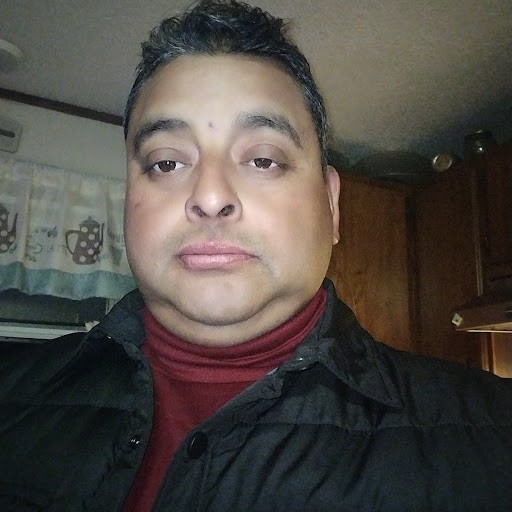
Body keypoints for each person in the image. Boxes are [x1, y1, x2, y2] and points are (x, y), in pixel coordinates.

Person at [1, 0, 512, 510]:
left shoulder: (494, 439)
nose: (210, 196)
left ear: (332, 206)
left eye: (264, 160)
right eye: (166, 163)